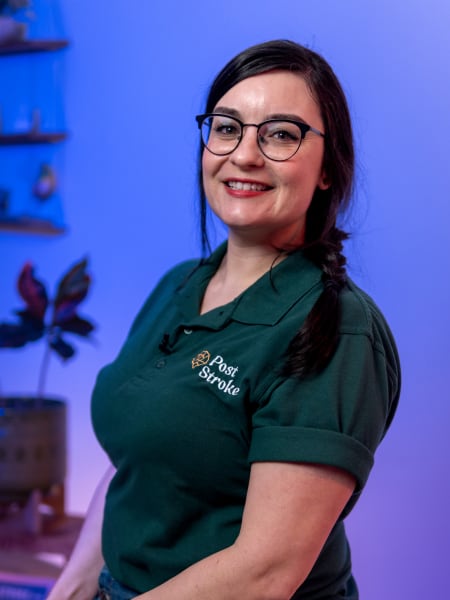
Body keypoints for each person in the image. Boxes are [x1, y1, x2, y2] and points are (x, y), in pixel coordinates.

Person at [47, 39, 400, 600]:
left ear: (329, 169)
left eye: (281, 134)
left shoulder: (337, 330)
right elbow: (138, 463)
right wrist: (69, 589)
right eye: (227, 127)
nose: (245, 155)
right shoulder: (180, 285)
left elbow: (265, 572)